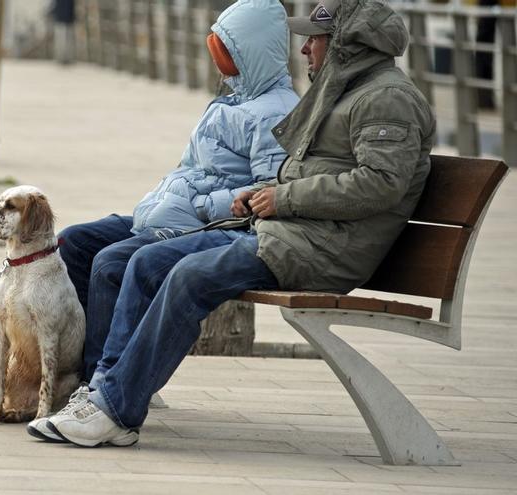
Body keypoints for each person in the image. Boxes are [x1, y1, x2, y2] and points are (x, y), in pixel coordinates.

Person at [40, 0, 436, 447]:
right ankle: (103, 394)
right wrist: (260, 194)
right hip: (294, 232)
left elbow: (380, 184)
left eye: (315, 39)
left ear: (346, 44)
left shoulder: (387, 99)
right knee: (150, 262)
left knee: (187, 275)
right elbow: (311, 171)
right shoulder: (344, 90)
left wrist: (281, 195)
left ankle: (114, 410)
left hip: (323, 247)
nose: (304, 48)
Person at [26, 0, 299, 442]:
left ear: (251, 52)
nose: (220, 62)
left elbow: (267, 191)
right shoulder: (233, 98)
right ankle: (70, 372)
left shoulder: (276, 112)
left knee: (114, 262)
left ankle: (100, 387)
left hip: (212, 225)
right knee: (75, 242)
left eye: (227, 52)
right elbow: (192, 167)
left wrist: (204, 203)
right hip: (173, 213)